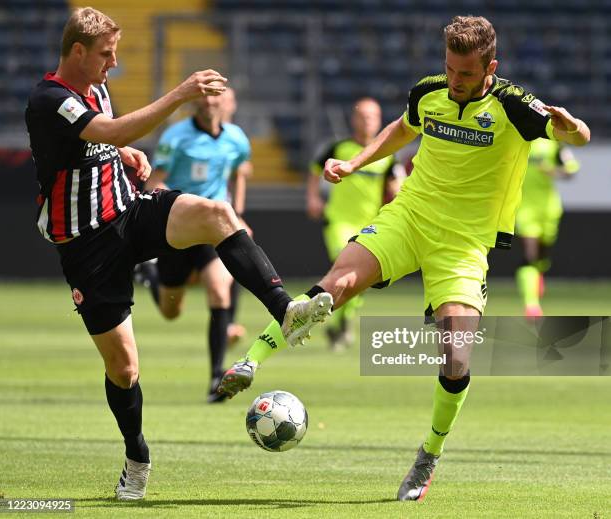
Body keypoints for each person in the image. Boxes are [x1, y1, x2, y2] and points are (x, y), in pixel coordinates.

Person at [219, 15, 590, 501]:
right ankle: (250, 361)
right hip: (408, 217)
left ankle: (428, 455)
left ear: (490, 68)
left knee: (457, 356)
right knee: (335, 288)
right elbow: (401, 128)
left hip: (462, 244)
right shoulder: (428, 91)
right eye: (450, 69)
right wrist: (354, 163)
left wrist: (575, 127)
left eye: (466, 74)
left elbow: (574, 137)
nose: (455, 82)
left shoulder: (514, 105)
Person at [25, 7, 332, 501]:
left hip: (127, 212)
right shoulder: (49, 98)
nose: (115, 63)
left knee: (218, 214)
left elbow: (101, 137)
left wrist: (123, 155)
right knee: (124, 369)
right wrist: (177, 97)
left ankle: (286, 311)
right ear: (77, 51)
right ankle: (136, 455)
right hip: (86, 247)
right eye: (106, 54)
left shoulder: (94, 89)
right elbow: (108, 131)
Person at [143, 86, 252, 403]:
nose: (209, 101)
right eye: (203, 95)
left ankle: (217, 378)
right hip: (178, 229)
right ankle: (150, 275)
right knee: (170, 311)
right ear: (195, 101)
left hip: (211, 230)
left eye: (215, 95)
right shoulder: (175, 137)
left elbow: (238, 171)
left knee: (219, 289)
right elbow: (154, 182)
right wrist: (180, 202)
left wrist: (238, 215)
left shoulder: (236, 139)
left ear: (225, 101)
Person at [306, 97, 404, 350]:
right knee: (347, 270)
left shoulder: (385, 156)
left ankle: (341, 322)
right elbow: (315, 170)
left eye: (373, 117)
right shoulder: (339, 148)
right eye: (363, 116)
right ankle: (341, 324)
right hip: (339, 221)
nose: (368, 121)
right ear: (354, 119)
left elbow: (395, 187)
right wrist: (314, 197)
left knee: (358, 281)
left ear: (380, 120)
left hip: (369, 225)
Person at [515, 139, 580, 317]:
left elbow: (571, 170)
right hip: (524, 208)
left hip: (549, 209)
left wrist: (553, 171)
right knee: (530, 256)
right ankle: (531, 305)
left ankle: (539, 273)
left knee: (542, 256)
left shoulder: (554, 145)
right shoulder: (518, 140)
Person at [221, 87, 253, 344]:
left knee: (237, 257)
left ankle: (229, 322)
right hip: (190, 207)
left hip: (221, 212)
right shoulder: (191, 133)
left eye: (229, 99)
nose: (224, 103)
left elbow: (240, 176)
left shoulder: (235, 138)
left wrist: (238, 214)